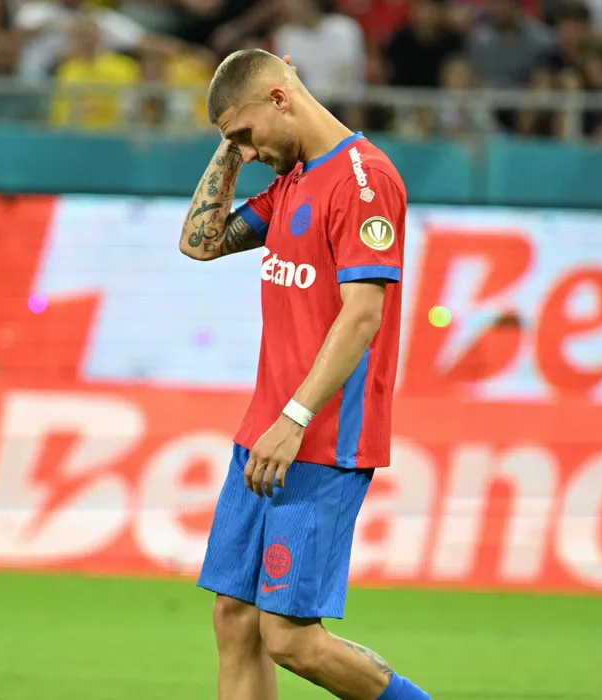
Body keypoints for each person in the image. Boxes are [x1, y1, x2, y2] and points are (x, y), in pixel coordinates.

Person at [178, 48, 430, 700]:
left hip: (318, 438)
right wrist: (233, 143)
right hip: (262, 436)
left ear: (280, 99)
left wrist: (293, 419)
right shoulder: (292, 181)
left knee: (291, 639)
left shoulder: (364, 181)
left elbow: (362, 315)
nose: (246, 151)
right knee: (234, 618)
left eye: (245, 134)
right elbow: (201, 242)